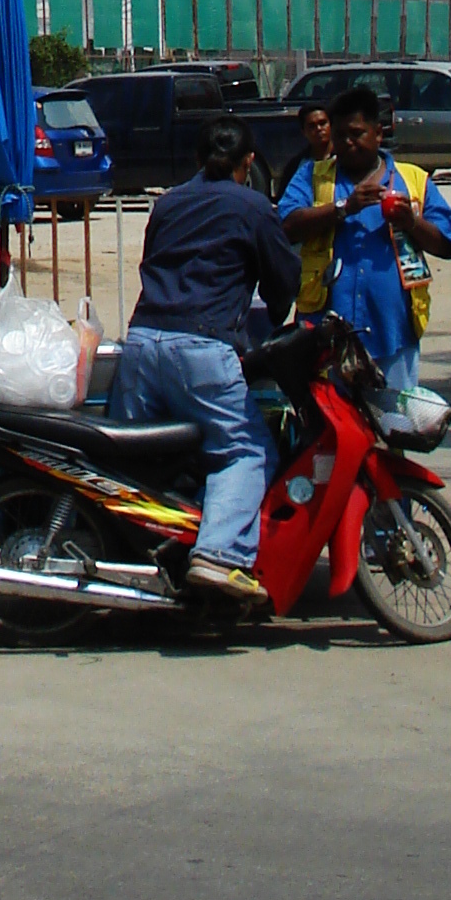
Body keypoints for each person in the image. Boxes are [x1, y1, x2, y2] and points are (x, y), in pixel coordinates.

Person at [111, 117, 302, 606]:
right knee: (246, 451)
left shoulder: (168, 203)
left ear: (197, 160)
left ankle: (127, 555)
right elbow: (283, 280)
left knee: (134, 463)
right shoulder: (255, 206)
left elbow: (153, 262)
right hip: (201, 352)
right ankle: (218, 556)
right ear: (249, 163)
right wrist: (277, 316)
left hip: (141, 344)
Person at [277, 82, 451, 390]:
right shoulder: (311, 175)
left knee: (394, 426)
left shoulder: (412, 179)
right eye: (339, 136)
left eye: (356, 133)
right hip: (326, 337)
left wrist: (412, 222)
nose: (347, 143)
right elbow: (286, 225)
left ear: (378, 133)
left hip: (392, 334)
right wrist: (343, 208)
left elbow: (450, 244)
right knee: (336, 431)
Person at [288, 101, 335, 317]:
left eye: (323, 123)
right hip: (309, 261)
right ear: (303, 132)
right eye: (312, 126)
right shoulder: (299, 169)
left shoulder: (348, 162)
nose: (319, 129)